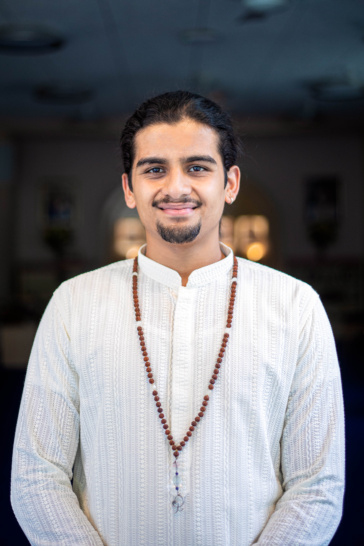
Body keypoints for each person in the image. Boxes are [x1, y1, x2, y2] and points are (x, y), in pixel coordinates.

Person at [11, 91, 345, 545]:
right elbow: (36, 475)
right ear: (130, 188)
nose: (176, 188)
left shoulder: (295, 306)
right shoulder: (73, 303)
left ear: (230, 183)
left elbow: (318, 485)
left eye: (197, 167)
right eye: (154, 169)